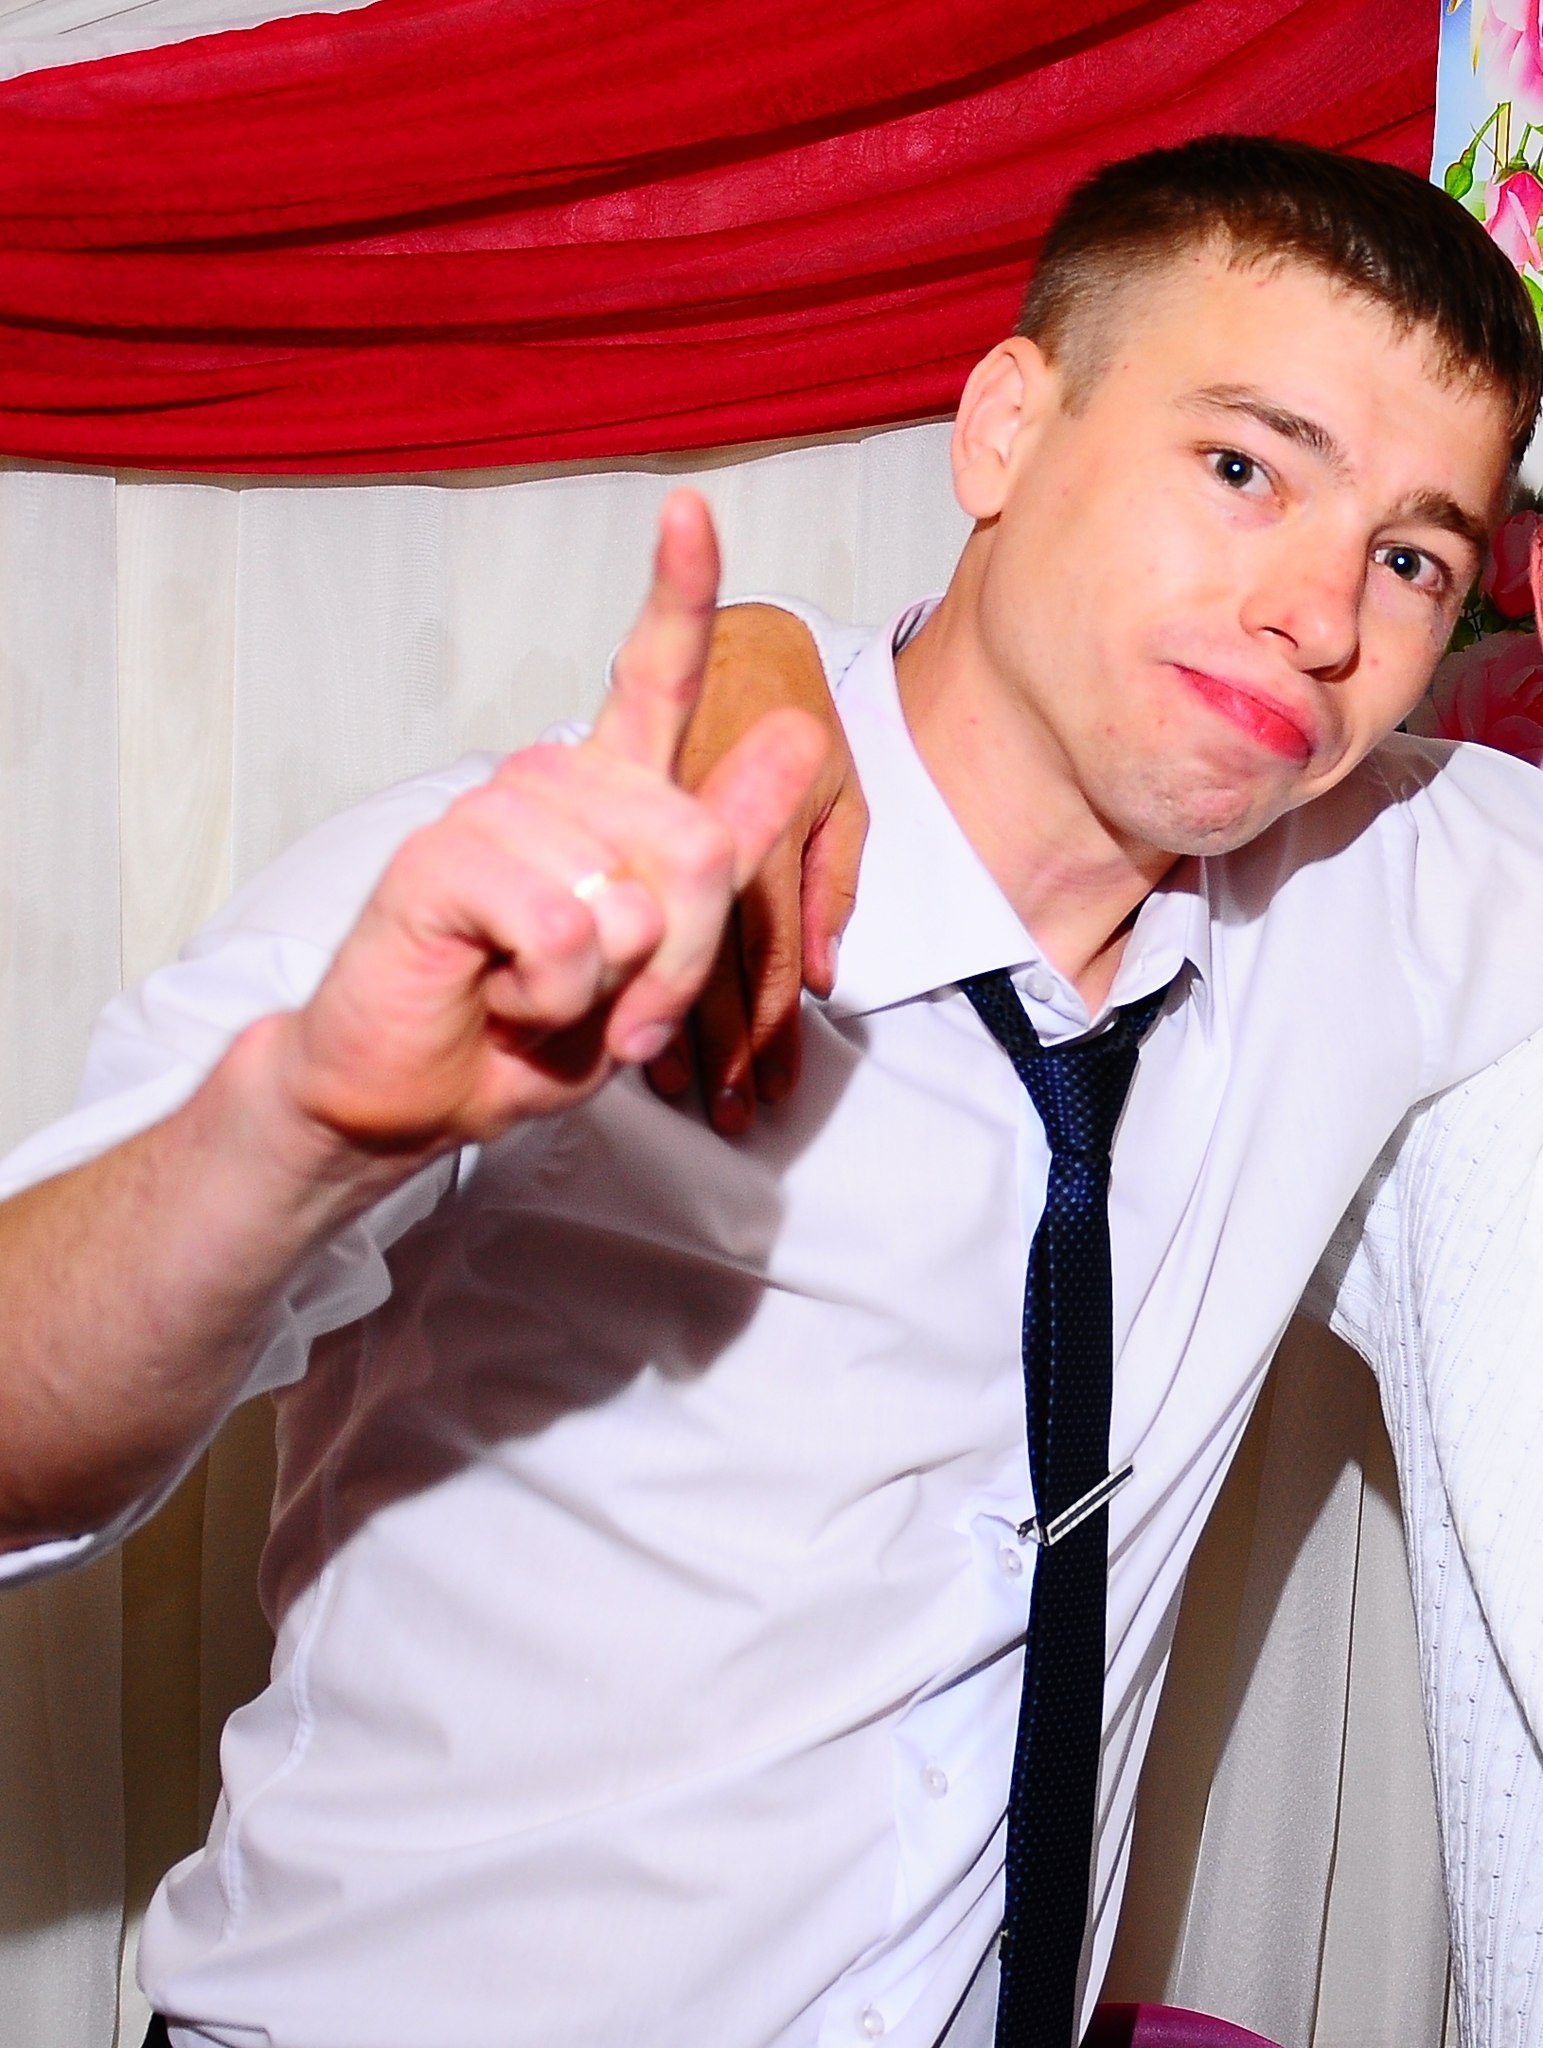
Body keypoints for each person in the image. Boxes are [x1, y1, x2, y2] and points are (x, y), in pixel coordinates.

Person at [3, 135, 1543, 2047]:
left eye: (1411, 558)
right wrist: (300, 1131)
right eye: (1242, 468)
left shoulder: (1383, 885)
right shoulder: (543, 895)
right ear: (1003, 430)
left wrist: (778, 651)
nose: (1321, 614)